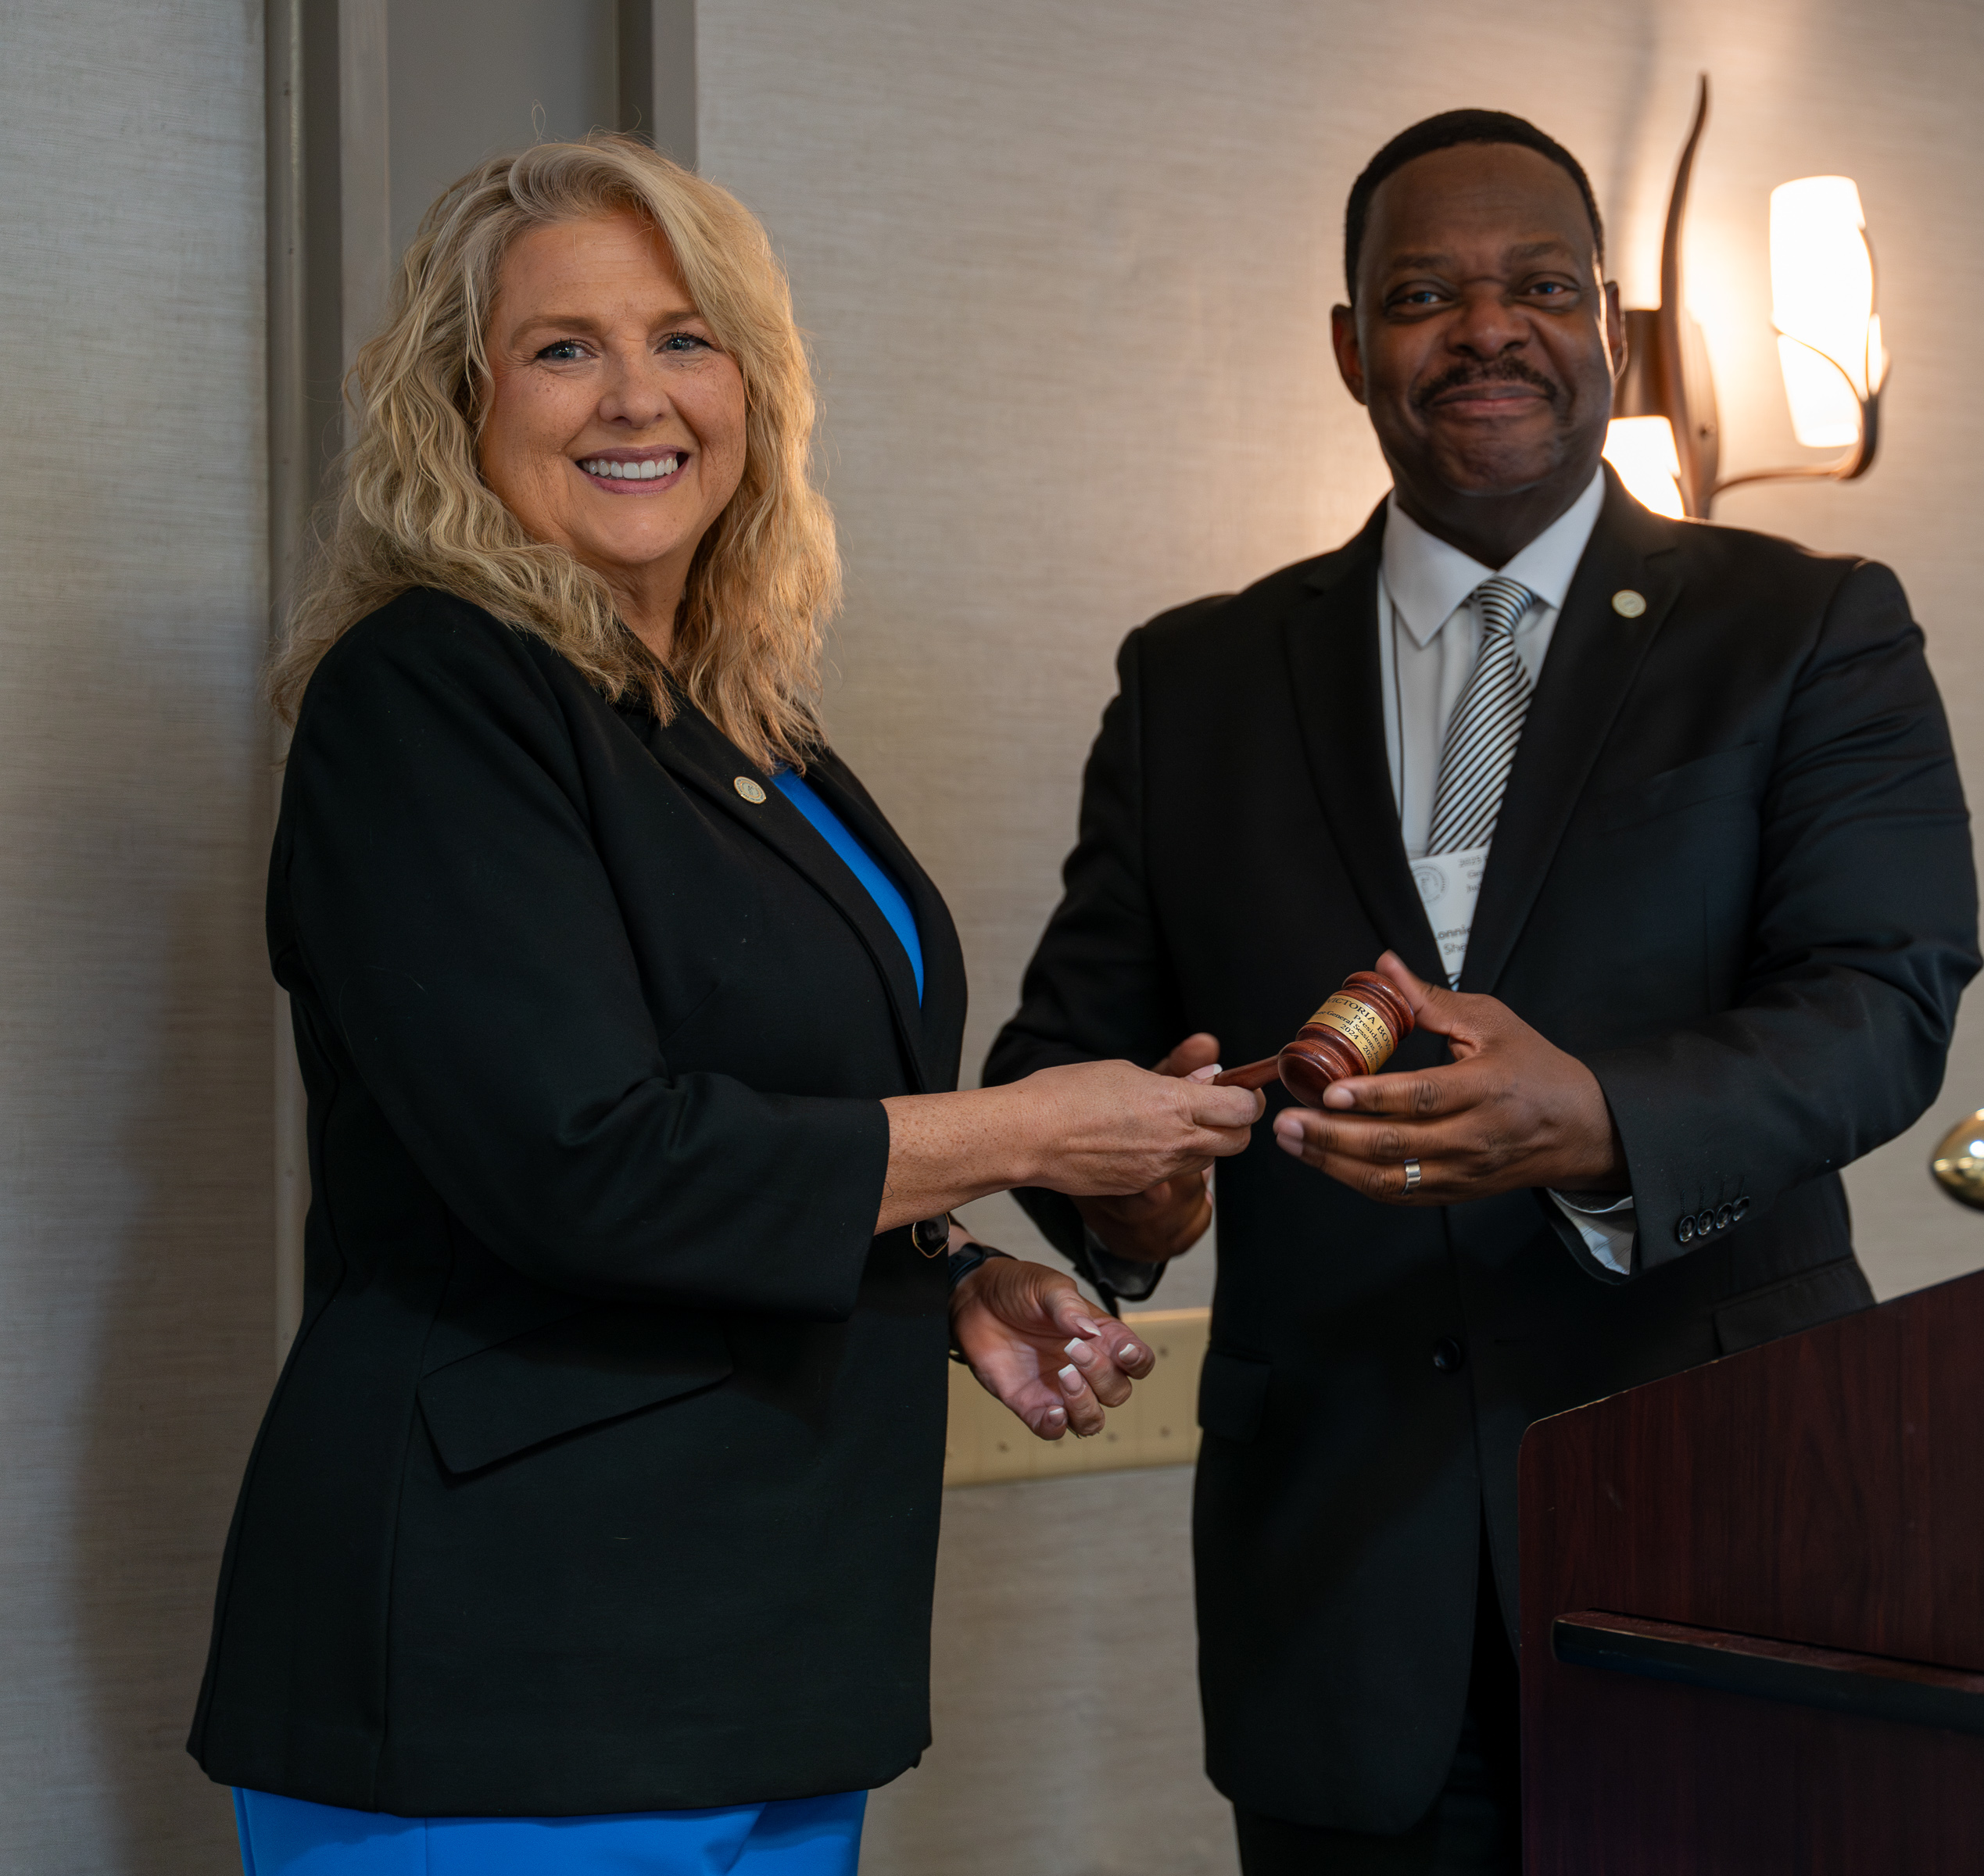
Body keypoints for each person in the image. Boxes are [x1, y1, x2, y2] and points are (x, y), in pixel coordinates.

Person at [188, 135, 1262, 1876]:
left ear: (754, 389)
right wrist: (1045, 1128)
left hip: (760, 1646)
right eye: (564, 348)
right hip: (513, 1661)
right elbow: (582, 1161)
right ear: (460, 403)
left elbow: (761, 1125)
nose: (638, 396)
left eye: (686, 339)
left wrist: (955, 1270)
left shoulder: (749, 725)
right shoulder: (428, 694)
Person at [985, 109, 1980, 1874]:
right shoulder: (1197, 676)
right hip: (1340, 1583)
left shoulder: (1806, 624)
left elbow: (1881, 1000)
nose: (1484, 329)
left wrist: (1602, 1121)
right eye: (1424, 292)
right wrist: (1120, 1199)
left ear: (1608, 323)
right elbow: (1072, 1054)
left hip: (1726, 1529)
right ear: (1351, 343)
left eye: (1537, 286)